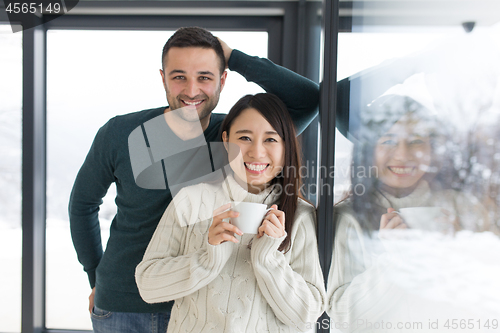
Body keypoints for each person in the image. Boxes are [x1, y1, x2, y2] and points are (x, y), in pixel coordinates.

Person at [68, 27, 319, 332]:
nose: (191, 90)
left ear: (222, 80)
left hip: (200, 306)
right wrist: (96, 276)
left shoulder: (233, 137)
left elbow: (308, 100)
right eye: (179, 77)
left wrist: (234, 57)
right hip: (124, 304)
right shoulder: (121, 133)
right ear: (163, 79)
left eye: (204, 77)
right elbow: (82, 205)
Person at [135, 93, 325, 333]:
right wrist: (208, 258)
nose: (257, 152)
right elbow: (148, 285)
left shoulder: (300, 215)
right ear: (225, 141)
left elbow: (307, 316)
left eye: (270, 139)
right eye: (245, 137)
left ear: (286, 145)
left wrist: (267, 258)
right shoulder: (192, 200)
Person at [325, 89, 490, 332]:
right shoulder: (346, 217)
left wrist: (460, 251)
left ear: (432, 151)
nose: (402, 154)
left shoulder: (463, 207)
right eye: (388, 140)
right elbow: (345, 318)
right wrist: (395, 258)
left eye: (416, 141)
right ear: (368, 151)